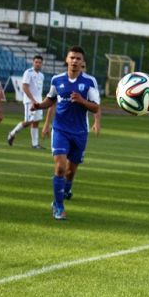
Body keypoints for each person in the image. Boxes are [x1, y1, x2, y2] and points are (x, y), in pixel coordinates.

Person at [32, 46, 100, 220]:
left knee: (70, 172)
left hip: (80, 132)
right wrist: (39, 105)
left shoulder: (90, 81)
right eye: (72, 58)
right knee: (61, 167)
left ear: (83, 62)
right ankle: (59, 206)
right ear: (67, 59)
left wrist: (82, 100)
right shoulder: (57, 80)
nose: (75, 61)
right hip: (60, 129)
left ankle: (66, 190)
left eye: (78, 58)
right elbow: (51, 99)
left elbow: (95, 107)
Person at [8, 55, 45, 149]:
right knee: (29, 121)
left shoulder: (41, 75)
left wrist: (40, 101)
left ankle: (35, 144)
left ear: (42, 64)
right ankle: (12, 133)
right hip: (30, 101)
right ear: (33, 63)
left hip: (39, 101)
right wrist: (32, 100)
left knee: (36, 121)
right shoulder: (28, 72)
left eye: (39, 62)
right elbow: (25, 87)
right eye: (36, 62)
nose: (38, 64)